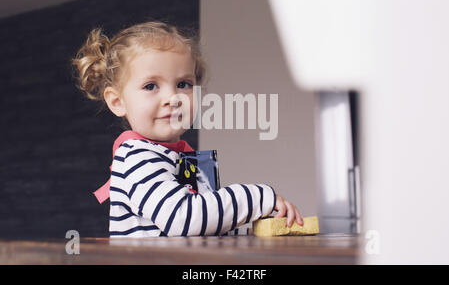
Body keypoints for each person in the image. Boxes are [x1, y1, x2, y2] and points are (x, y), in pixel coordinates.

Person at [72, 21, 303, 237]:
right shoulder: (136, 157)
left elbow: (205, 226)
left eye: (184, 84)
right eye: (151, 86)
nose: (172, 98)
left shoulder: (184, 158)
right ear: (117, 102)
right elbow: (182, 220)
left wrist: (256, 224)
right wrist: (257, 198)